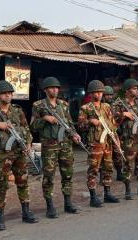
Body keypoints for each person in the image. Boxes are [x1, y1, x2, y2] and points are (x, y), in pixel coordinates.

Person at [0, 81, 38, 231]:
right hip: (1, 154)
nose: (9, 95)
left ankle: (26, 212)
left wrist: (29, 144)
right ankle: (0, 218)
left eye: (10, 93)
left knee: (23, 182)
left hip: (19, 152)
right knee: (1, 186)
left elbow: (26, 129)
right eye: (6, 93)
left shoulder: (18, 110)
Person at [30, 77, 81, 218]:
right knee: (49, 177)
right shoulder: (39, 105)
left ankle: (68, 203)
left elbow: (70, 124)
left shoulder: (64, 105)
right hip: (49, 146)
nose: (55, 90)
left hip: (65, 145)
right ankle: (50, 206)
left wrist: (75, 134)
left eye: (57, 87)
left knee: (68, 174)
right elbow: (33, 127)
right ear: (46, 90)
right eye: (52, 88)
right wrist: (45, 119)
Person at [78, 80, 120, 207]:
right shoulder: (86, 108)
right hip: (95, 143)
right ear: (91, 94)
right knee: (94, 169)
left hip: (107, 142)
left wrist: (116, 138)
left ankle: (107, 193)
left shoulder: (106, 107)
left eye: (101, 92)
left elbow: (112, 124)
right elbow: (80, 126)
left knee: (108, 167)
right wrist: (90, 121)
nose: (99, 94)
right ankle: (93, 196)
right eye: (97, 92)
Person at [112, 79, 138, 200]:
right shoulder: (118, 104)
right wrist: (123, 114)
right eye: (134, 88)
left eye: (136, 88)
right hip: (128, 139)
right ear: (127, 90)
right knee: (128, 165)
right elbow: (113, 120)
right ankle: (128, 190)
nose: (136, 90)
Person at [102, 85, 123, 181]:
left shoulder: (114, 106)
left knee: (117, 153)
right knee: (103, 155)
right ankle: (102, 176)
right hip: (103, 134)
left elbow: (118, 119)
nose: (109, 97)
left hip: (113, 132)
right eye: (107, 95)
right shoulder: (99, 106)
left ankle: (119, 173)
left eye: (111, 95)